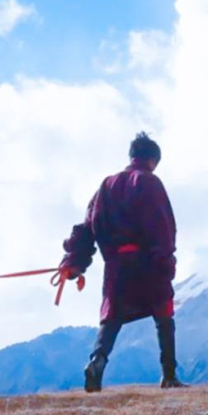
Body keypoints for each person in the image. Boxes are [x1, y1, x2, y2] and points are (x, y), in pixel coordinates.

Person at [59, 132, 185, 392]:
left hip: (116, 265)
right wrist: (165, 263)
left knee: (112, 318)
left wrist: (74, 262)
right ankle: (169, 376)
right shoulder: (150, 182)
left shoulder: (105, 186)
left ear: (132, 157)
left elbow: (85, 228)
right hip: (148, 263)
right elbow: (162, 227)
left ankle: (97, 360)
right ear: (153, 161)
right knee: (163, 316)